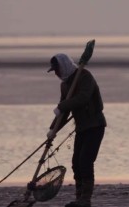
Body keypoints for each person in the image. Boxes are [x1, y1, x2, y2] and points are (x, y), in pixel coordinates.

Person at [47, 53, 107, 207]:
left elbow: (83, 98)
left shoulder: (84, 76)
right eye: (54, 71)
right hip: (81, 127)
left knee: (85, 161)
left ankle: (85, 200)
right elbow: (64, 112)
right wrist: (52, 130)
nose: (57, 73)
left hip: (95, 125)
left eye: (58, 69)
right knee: (76, 163)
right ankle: (79, 197)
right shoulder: (65, 84)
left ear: (64, 66)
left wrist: (62, 106)